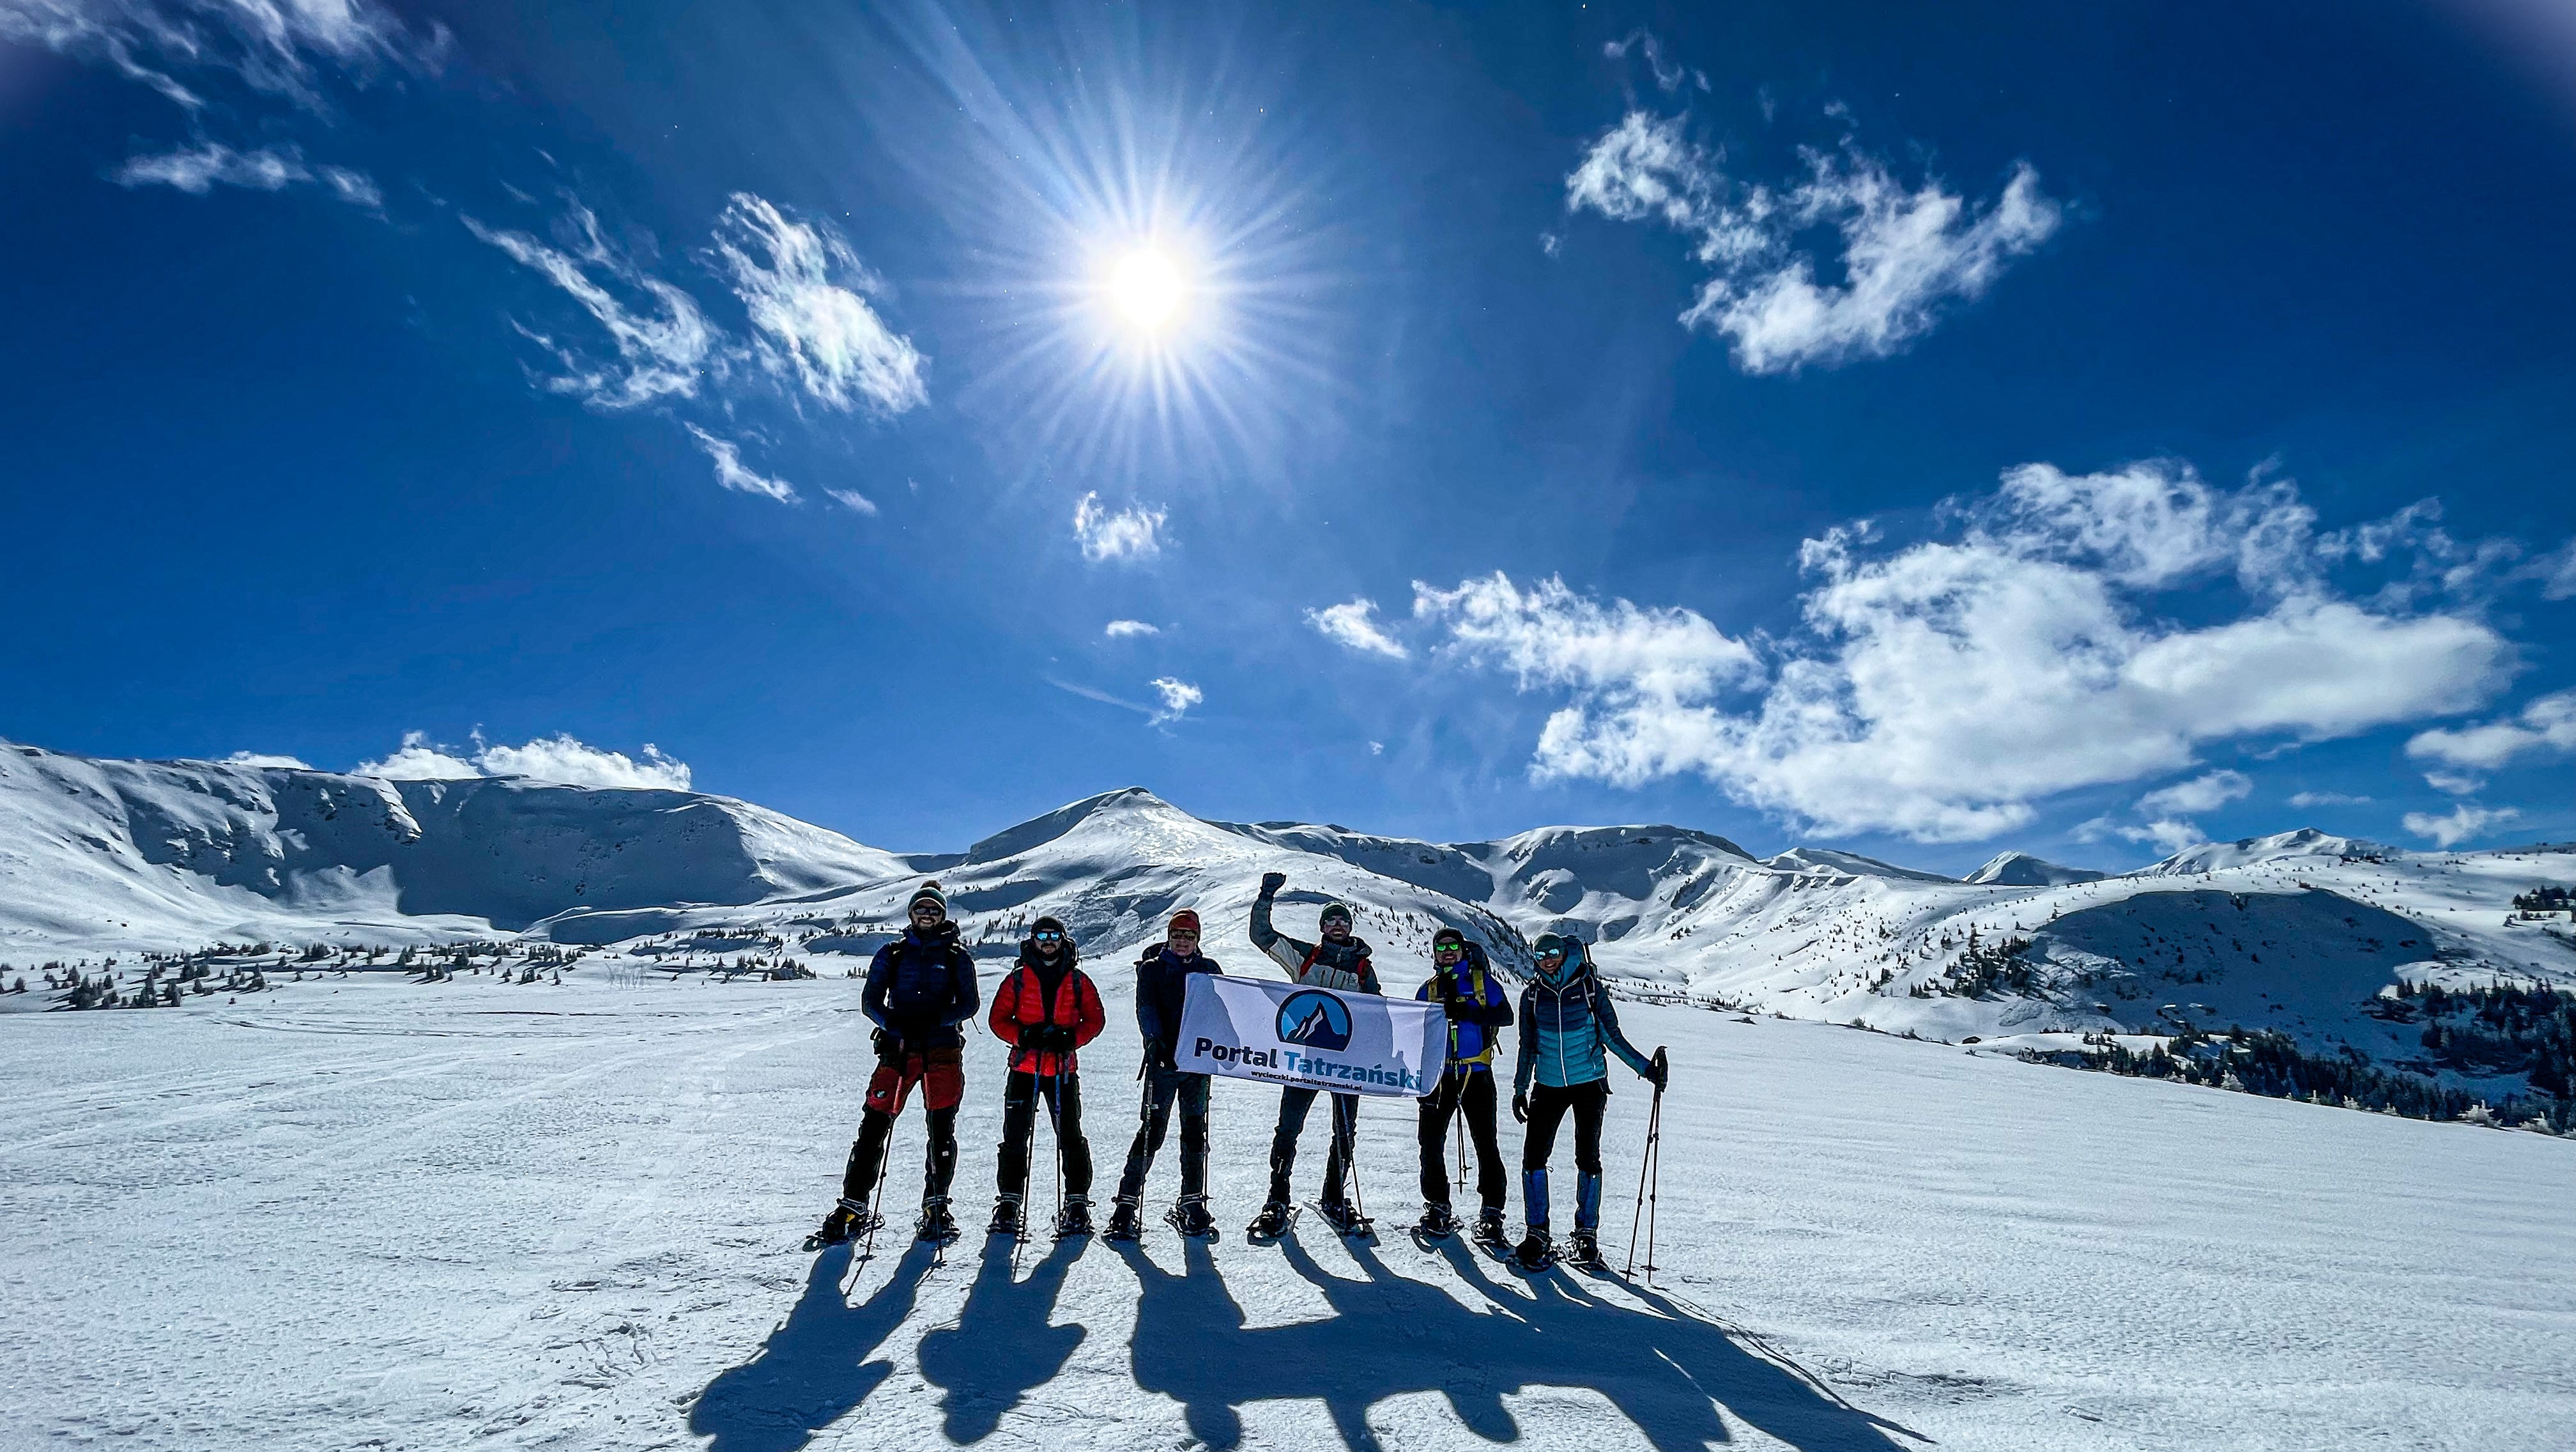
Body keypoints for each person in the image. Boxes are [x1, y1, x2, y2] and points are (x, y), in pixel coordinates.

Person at [812, 881, 980, 1247]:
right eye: (922, 908)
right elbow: (870, 1000)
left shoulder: (957, 957)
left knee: (940, 1130)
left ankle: (936, 1206)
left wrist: (935, 1021)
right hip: (899, 1051)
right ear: (911, 913)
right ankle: (853, 1204)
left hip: (941, 1051)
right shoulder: (892, 953)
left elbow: (969, 1004)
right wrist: (894, 1024)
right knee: (874, 1124)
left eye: (935, 910)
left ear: (943, 915)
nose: (928, 914)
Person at [1510, 932, 1666, 1270]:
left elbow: (1612, 1036)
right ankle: (1537, 1233)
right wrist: (1520, 1088)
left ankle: (1586, 1235)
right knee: (1533, 1158)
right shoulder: (1532, 996)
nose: (1547, 958)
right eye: (1540, 954)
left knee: (1587, 1158)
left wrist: (1646, 1069)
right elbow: (1528, 1045)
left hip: (1589, 1085)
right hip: (1547, 1085)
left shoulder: (1590, 989)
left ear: (1566, 954)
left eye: (1553, 952)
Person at [1246, 870, 1383, 1238]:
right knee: (1289, 1128)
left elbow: (1379, 1016)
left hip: (1345, 1063)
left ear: (1350, 927)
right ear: (1322, 927)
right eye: (1330, 920)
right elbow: (1262, 936)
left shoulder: (1364, 969)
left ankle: (1334, 1195)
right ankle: (1277, 1196)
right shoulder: (1305, 956)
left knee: (1344, 1131)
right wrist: (1265, 897)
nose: (1337, 925)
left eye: (1343, 920)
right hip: (1303, 1059)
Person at [986, 915, 1107, 1238]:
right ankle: (1010, 1202)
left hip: (1062, 1071)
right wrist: (1024, 1036)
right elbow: (998, 1019)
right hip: (1024, 1068)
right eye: (1042, 935)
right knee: (1015, 1137)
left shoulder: (1079, 980)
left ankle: (1077, 1202)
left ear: (1063, 939)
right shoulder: (1017, 979)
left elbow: (1094, 1019)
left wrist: (1071, 1039)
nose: (1048, 940)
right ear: (1033, 940)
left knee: (1070, 1135)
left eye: (1054, 935)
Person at [1108, 909, 1222, 1240]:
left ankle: (1192, 1200)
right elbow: (1146, 1009)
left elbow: (1220, 1011)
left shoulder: (1209, 970)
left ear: (1197, 939)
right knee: (1152, 1132)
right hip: (1164, 1064)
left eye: (1189, 936)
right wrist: (1157, 1044)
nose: (1182, 941)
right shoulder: (1153, 970)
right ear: (1169, 937)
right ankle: (1127, 1203)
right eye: (1177, 935)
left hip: (1196, 1068)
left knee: (1194, 1133)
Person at [1413, 927, 1515, 1245]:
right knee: (1429, 1143)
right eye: (1441, 947)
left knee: (1486, 1144)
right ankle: (1438, 1206)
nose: (1448, 951)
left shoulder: (1482, 983)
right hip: (1439, 1076)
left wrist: (1470, 1012)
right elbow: (1415, 1031)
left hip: (1476, 1074)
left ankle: (1492, 1213)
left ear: (1463, 950)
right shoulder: (1428, 990)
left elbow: (1506, 1015)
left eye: (1453, 946)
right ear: (1434, 952)